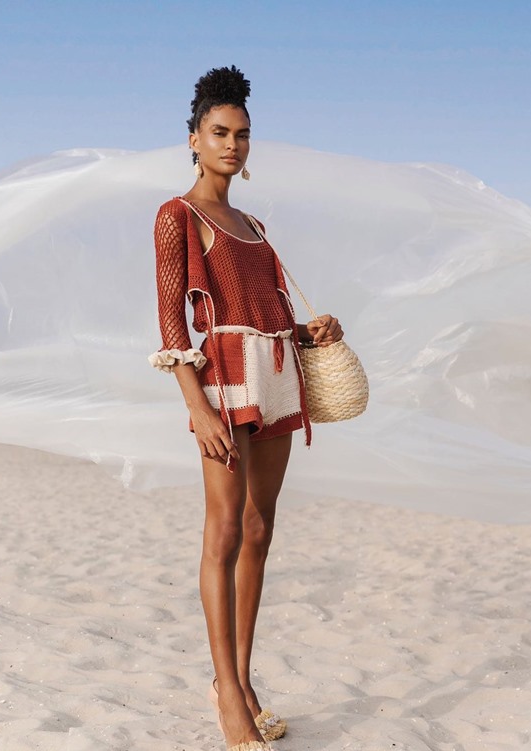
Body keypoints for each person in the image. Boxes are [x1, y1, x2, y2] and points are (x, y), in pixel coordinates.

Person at [148, 65, 343, 751]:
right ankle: (225, 689)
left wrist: (309, 332)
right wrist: (195, 405)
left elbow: (266, 315)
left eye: (243, 135)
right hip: (224, 387)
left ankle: (243, 678)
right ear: (194, 139)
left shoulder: (255, 224)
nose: (233, 145)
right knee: (224, 530)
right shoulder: (179, 215)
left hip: (278, 379)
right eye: (220, 133)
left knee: (260, 529)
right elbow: (173, 319)